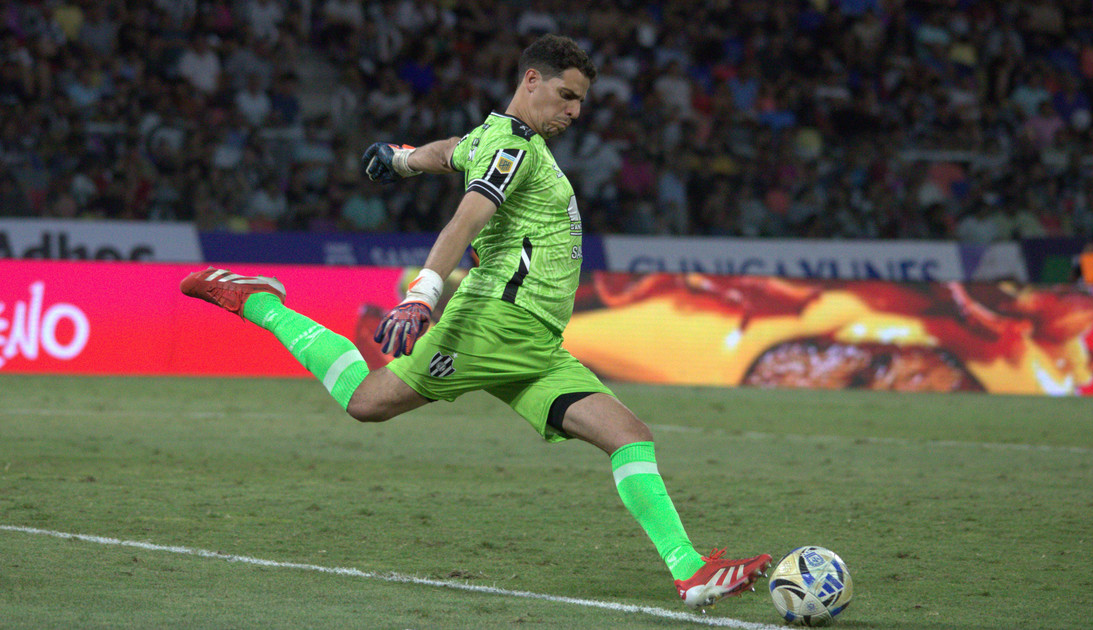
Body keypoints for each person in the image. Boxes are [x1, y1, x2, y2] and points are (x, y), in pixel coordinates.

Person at [180, 34, 769, 609]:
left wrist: (402, 159)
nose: (575, 111)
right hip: (495, 324)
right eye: (566, 95)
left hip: (536, 343)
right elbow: (465, 220)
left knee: (630, 436)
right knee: (366, 401)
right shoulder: (513, 150)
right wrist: (422, 294)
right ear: (531, 81)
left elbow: (449, 151)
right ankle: (259, 302)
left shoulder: (496, 138)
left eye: (581, 101)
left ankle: (690, 573)